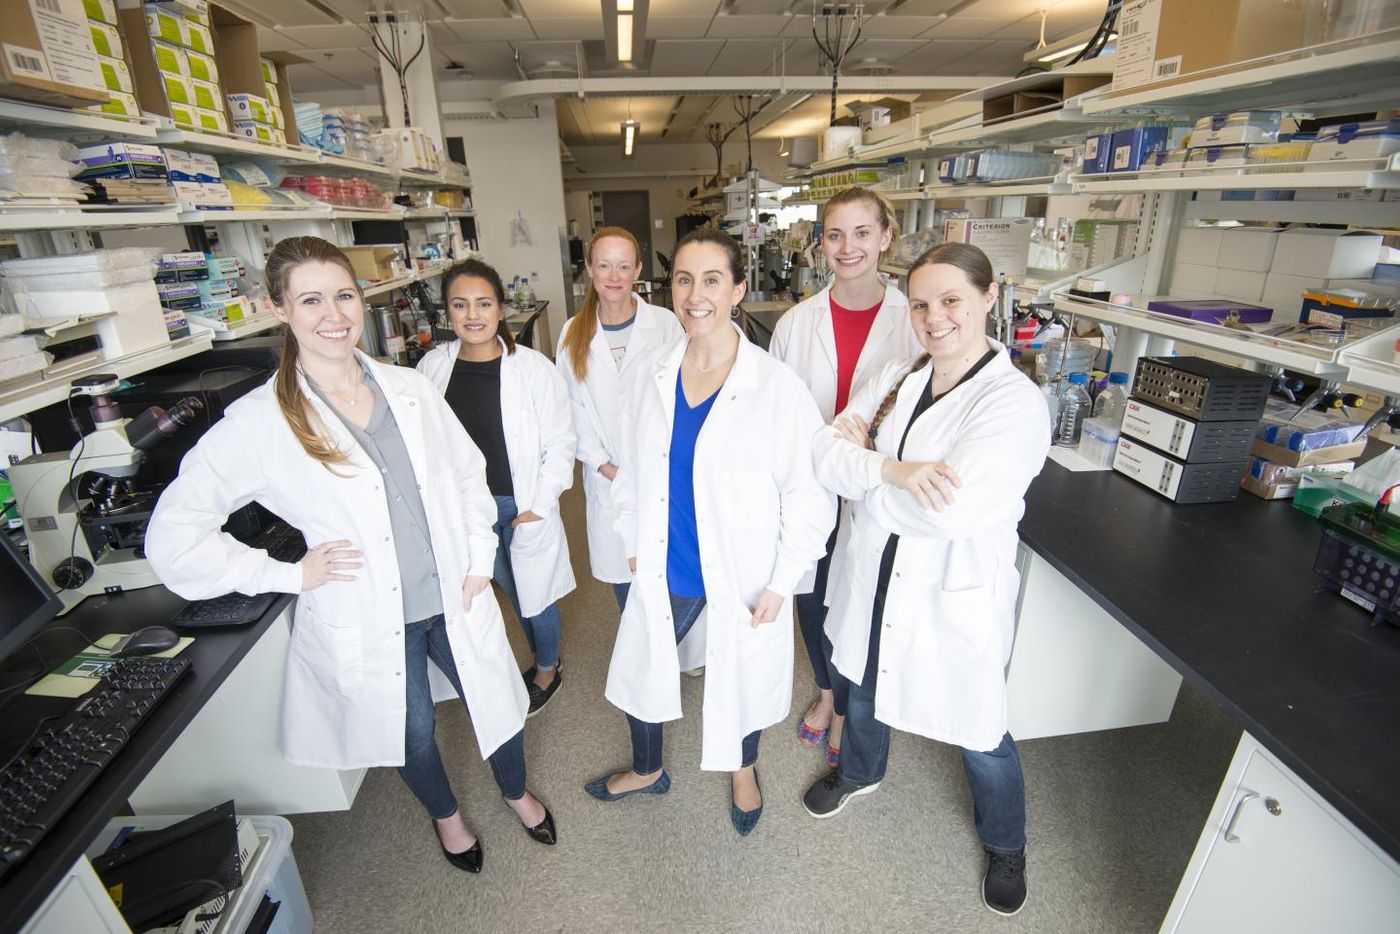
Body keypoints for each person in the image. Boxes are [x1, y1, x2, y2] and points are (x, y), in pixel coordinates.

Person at [146, 236, 556, 875]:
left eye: (343, 295)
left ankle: (516, 792)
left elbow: (466, 473)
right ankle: (448, 818)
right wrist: (284, 572)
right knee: (410, 733)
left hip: (455, 591)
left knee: (498, 697)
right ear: (279, 308)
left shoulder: (407, 387)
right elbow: (172, 537)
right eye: (310, 300)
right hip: (368, 613)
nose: (332, 314)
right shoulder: (260, 420)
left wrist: (480, 555)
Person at [799, 242, 1050, 916]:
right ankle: (859, 771)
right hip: (871, 569)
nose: (934, 317)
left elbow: (949, 513)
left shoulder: (1015, 405)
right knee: (861, 678)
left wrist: (868, 477)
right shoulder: (899, 373)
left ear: (989, 298)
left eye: (951, 301)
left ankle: (1005, 843)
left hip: (949, 590)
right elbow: (826, 450)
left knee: (980, 730)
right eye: (920, 303)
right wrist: (895, 473)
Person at [584, 229, 834, 836]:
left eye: (712, 280)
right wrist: (635, 542)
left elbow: (808, 492)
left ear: (738, 289)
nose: (696, 295)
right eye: (684, 280)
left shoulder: (775, 387)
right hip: (665, 563)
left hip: (739, 571)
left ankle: (743, 769)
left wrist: (782, 579)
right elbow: (633, 471)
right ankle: (648, 770)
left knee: (739, 673)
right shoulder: (652, 371)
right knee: (643, 668)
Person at [768, 187, 921, 767]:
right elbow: (777, 412)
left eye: (862, 233)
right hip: (811, 481)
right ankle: (830, 694)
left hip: (880, 488)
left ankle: (856, 703)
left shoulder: (916, 319)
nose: (848, 247)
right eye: (835, 234)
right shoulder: (795, 323)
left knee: (864, 597)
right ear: (820, 244)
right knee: (812, 591)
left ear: (886, 237)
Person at [418, 258, 576, 716]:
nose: (473, 315)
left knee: (534, 594)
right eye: (460, 305)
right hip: (464, 509)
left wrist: (539, 506)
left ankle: (547, 667)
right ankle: (494, 672)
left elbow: (562, 443)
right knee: (491, 594)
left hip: (517, 505)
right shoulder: (431, 368)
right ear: (447, 313)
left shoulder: (532, 369)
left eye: (483, 303)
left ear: (501, 309)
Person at [555, 227, 683, 612]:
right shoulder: (572, 333)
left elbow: (683, 395)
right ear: (590, 269)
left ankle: (668, 654)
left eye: (623, 266)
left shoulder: (665, 325)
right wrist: (603, 464)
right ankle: (638, 658)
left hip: (662, 471)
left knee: (667, 569)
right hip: (606, 476)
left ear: (638, 270)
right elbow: (569, 409)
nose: (614, 276)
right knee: (625, 578)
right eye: (605, 266)